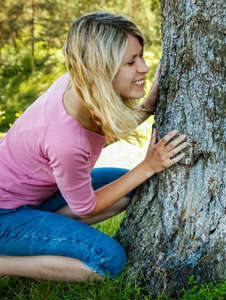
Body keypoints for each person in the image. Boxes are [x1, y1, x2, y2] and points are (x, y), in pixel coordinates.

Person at [0, 11, 188, 282]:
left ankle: (49, 230)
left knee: (129, 184)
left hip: (33, 197)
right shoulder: (64, 139)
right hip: (5, 215)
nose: (144, 68)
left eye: (140, 56)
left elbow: (95, 137)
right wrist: (148, 165)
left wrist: (147, 106)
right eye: (131, 62)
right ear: (100, 69)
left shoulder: (77, 88)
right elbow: (86, 205)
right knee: (108, 261)